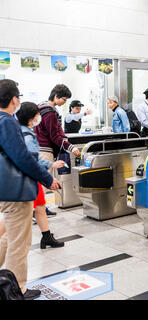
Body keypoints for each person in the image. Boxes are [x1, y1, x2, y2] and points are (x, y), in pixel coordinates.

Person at [0, 79, 61, 300]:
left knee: (9, 237)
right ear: (14, 99)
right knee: (19, 242)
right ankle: (17, 290)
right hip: (15, 190)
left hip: (5, 189)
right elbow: (23, 157)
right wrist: (46, 178)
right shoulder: (6, 121)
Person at [15, 102, 66, 249]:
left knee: (40, 207)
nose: (39, 117)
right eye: (37, 114)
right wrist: (49, 178)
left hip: (28, 178)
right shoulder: (28, 136)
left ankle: (46, 236)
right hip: (28, 179)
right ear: (32, 117)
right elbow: (31, 161)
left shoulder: (22, 131)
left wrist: (51, 165)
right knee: (22, 214)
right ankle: (44, 237)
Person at [35, 84, 81, 216]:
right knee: (44, 180)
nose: (64, 102)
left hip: (39, 147)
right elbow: (54, 136)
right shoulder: (50, 113)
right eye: (64, 99)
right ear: (56, 96)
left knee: (42, 180)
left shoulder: (41, 107)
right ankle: (39, 209)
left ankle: (41, 207)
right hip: (45, 150)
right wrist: (70, 147)